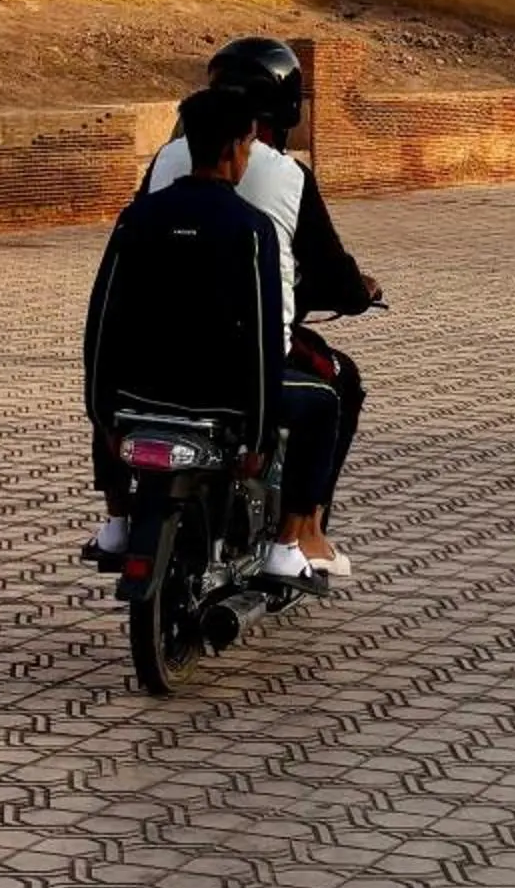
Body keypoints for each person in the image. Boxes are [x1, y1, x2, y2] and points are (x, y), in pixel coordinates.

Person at [143, 38, 381, 571]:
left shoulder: (163, 162)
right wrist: (356, 293)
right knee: (335, 387)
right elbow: (325, 269)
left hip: (153, 356)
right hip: (243, 360)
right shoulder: (284, 178)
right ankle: (300, 536)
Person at [83, 86, 337, 585]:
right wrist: (259, 436)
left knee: (111, 389)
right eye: (246, 146)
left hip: (143, 390)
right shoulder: (250, 229)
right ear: (233, 149)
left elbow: (102, 325)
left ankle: (115, 522)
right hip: (224, 399)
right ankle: (288, 545)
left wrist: (102, 412)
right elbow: (264, 339)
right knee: (324, 402)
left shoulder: (138, 217)